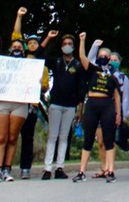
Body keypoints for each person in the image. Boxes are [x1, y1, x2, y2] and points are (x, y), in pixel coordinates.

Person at [71, 33, 122, 183]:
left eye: (106, 55)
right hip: (92, 104)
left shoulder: (113, 75)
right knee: (88, 139)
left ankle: (110, 170)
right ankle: (82, 172)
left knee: (108, 139)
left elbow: (117, 95)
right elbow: (82, 57)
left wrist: (118, 114)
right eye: (101, 55)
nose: (103, 57)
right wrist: (82, 40)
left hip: (107, 106)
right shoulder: (92, 69)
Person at [11, 7, 53, 180]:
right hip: (15, 101)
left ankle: (25, 168)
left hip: (32, 105)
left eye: (36, 43)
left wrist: (40, 86)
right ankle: (4, 166)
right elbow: (16, 36)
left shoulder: (42, 67)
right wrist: (19, 16)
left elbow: (45, 87)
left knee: (28, 137)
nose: (33, 45)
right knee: (10, 135)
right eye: (31, 43)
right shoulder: (18, 60)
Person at [0, 36, 35, 182]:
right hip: (2, 102)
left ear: (24, 50)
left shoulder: (29, 65)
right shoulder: (1, 63)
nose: (17, 49)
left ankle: (7, 169)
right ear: (10, 49)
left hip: (20, 103)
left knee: (12, 137)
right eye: (14, 47)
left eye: (20, 48)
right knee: (1, 137)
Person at [41, 32, 84, 180]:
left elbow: (81, 89)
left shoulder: (78, 65)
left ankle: (60, 167)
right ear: (61, 47)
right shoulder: (57, 62)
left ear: (74, 47)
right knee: (52, 136)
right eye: (65, 44)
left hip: (70, 106)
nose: (67, 46)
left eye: (70, 44)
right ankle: (47, 168)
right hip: (55, 104)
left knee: (64, 137)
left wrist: (80, 109)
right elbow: (40, 55)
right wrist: (48, 38)